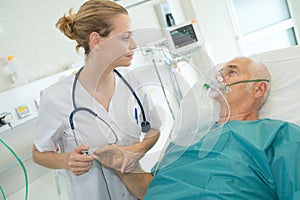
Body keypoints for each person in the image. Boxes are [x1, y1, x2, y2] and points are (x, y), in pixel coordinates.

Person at [97, 57, 300, 199]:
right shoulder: (187, 138)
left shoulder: (279, 135)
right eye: (220, 73)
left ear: (258, 88)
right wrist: (125, 167)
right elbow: (152, 188)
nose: (220, 78)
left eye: (231, 72)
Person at [32, 0, 160, 199]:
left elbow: (153, 130)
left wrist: (136, 150)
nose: (133, 45)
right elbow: (38, 153)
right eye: (125, 37)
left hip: (136, 192)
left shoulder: (133, 81)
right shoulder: (56, 97)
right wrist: (67, 160)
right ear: (96, 40)